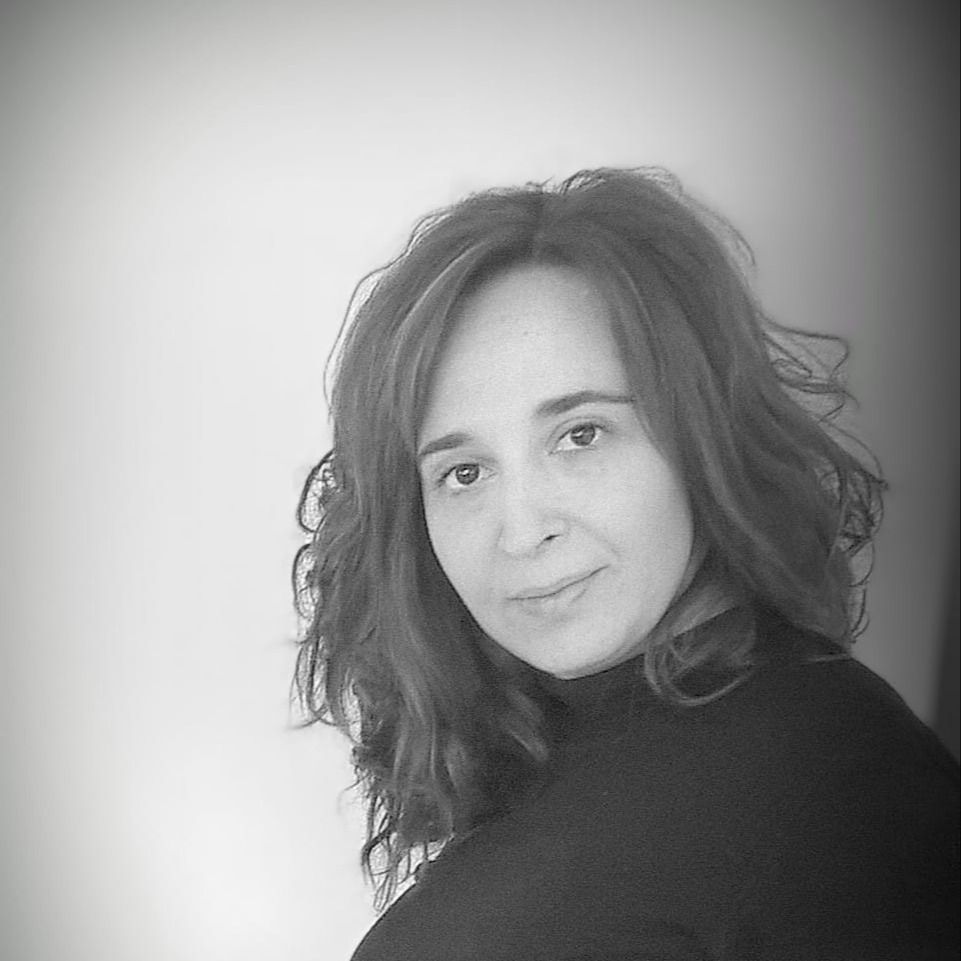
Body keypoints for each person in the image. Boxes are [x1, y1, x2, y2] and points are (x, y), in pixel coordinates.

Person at [292, 168, 960, 960]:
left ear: (699, 433)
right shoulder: (567, 761)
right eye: (463, 472)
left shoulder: (827, 779)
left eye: (580, 434)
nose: (521, 531)